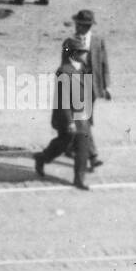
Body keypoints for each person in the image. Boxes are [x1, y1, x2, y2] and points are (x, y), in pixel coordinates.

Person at [33, 41, 93, 191]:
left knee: (82, 148)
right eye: (81, 52)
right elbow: (63, 99)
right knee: (63, 144)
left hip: (82, 116)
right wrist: (69, 121)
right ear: (74, 53)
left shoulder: (82, 69)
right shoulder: (64, 71)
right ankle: (42, 157)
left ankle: (79, 179)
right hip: (68, 116)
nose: (85, 54)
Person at [60, 9, 110, 172]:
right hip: (76, 85)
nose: (80, 28)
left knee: (83, 120)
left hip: (93, 86)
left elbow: (104, 64)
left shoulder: (98, 40)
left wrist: (106, 86)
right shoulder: (69, 42)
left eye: (84, 25)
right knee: (84, 121)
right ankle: (93, 156)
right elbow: (65, 65)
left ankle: (70, 146)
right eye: (79, 25)